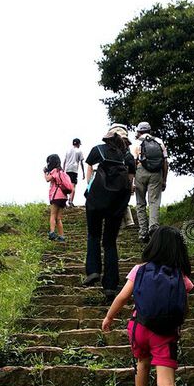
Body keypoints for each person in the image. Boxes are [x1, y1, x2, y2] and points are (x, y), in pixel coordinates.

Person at [101, 226, 193, 386]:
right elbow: (184, 304)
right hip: (166, 333)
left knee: (142, 364)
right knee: (166, 382)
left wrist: (109, 317)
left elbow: (122, 297)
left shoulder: (139, 270)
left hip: (140, 327)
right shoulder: (180, 275)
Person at [82, 124, 136, 301]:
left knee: (93, 235)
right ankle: (111, 286)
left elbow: (89, 167)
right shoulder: (127, 156)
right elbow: (129, 182)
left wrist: (90, 187)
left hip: (96, 200)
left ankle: (93, 270)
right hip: (116, 204)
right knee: (110, 242)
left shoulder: (98, 149)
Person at [131, 121, 169, 244]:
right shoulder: (159, 142)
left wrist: (131, 182)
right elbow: (165, 162)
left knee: (140, 202)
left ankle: (143, 233)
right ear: (150, 130)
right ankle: (154, 228)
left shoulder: (135, 144)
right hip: (156, 172)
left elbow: (132, 163)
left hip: (140, 171)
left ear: (138, 132)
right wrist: (164, 179)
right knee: (154, 202)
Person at [44, 154, 72, 242]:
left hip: (56, 195)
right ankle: (61, 236)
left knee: (53, 215)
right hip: (63, 196)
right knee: (59, 218)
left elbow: (47, 179)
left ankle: (52, 233)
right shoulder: (62, 172)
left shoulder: (55, 171)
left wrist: (45, 172)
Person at [62, 138, 84, 207]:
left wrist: (63, 170)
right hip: (74, 170)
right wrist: (83, 172)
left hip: (67, 169)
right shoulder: (79, 151)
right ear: (78, 144)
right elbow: (81, 162)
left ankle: (64, 200)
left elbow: (64, 161)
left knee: (65, 185)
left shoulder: (68, 150)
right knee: (73, 186)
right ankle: (70, 201)